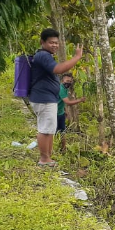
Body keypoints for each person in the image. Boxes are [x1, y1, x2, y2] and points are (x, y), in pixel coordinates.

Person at [29, 28, 83, 167]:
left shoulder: (45, 55)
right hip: (44, 98)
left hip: (47, 98)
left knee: (49, 129)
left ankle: (48, 157)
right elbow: (58, 69)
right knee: (45, 129)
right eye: (51, 42)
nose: (55, 45)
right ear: (43, 42)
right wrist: (76, 57)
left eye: (56, 43)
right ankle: (44, 159)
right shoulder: (43, 56)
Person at [56, 72, 85, 153]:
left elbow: (62, 101)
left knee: (62, 131)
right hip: (54, 113)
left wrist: (65, 111)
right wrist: (80, 100)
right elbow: (68, 102)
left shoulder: (65, 88)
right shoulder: (61, 88)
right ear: (62, 80)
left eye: (70, 81)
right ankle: (52, 150)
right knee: (54, 132)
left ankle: (63, 149)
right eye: (67, 81)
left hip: (60, 112)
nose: (68, 83)